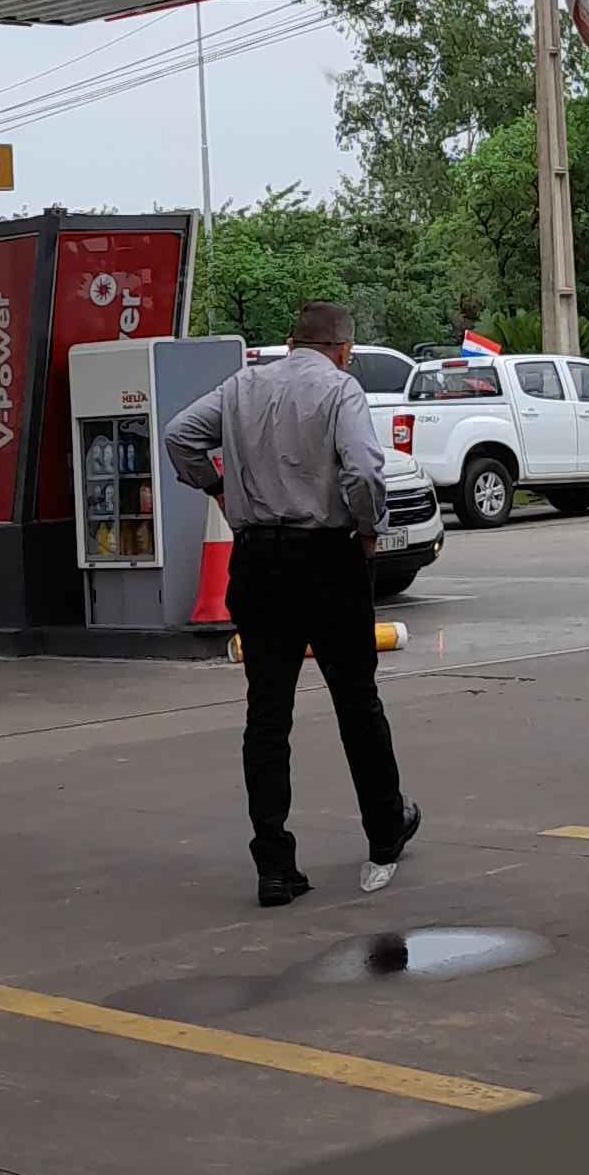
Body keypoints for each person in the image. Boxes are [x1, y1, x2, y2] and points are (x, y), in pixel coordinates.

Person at [164, 304, 421, 906]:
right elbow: (363, 472)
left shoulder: (241, 385)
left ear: (290, 342)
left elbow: (180, 435)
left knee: (267, 713)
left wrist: (216, 486)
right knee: (356, 701)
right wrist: (367, 530)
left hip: (258, 562)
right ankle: (385, 829)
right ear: (344, 350)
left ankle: (275, 865)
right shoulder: (340, 389)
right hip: (327, 558)